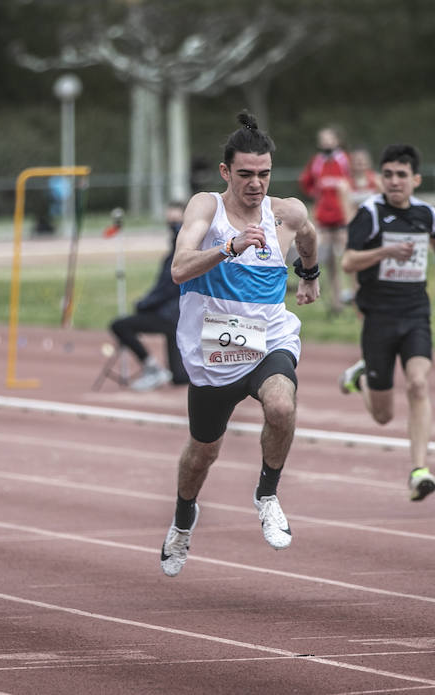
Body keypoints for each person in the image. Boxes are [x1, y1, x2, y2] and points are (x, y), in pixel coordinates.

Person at [158, 111, 320, 577]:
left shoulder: (285, 212)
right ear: (226, 171)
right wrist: (229, 249)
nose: (256, 184)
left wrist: (309, 275)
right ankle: (184, 517)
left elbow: (308, 237)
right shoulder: (206, 208)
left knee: (282, 407)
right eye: (246, 174)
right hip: (215, 349)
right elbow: (179, 268)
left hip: (268, 336)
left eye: (264, 173)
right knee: (202, 452)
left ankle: (267, 494)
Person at [337, 144, 435, 501]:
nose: (394, 181)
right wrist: (384, 251)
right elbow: (348, 262)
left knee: (418, 383)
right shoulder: (369, 213)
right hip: (379, 316)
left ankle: (419, 469)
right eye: (388, 175)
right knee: (383, 417)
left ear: (415, 179)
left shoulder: (426, 214)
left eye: (401, 175)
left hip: (415, 312)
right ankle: (360, 378)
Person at [108, 201, 189, 391]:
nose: (172, 227)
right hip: (176, 313)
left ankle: (152, 368)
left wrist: (144, 304)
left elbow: (168, 288)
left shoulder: (181, 252)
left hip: (172, 314)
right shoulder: (176, 250)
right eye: (170, 222)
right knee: (179, 378)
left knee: (120, 325)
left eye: (176, 222)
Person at [297, 126, 351, 316]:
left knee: (349, 259)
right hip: (324, 218)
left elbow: (353, 182)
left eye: (329, 138)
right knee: (328, 261)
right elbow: (306, 182)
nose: (325, 142)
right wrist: (317, 196)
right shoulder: (317, 162)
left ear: (337, 140)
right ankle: (336, 303)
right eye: (323, 139)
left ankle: (353, 295)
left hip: (343, 218)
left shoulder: (344, 160)